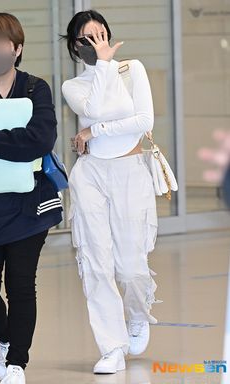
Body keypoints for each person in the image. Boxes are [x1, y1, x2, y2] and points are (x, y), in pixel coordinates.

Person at [62, 10, 162, 374]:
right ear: (77, 45)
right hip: (90, 176)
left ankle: (137, 314)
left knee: (132, 266)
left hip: (130, 170)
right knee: (96, 264)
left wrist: (93, 131)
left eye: (102, 34)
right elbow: (91, 107)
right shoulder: (73, 86)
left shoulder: (132, 69)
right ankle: (111, 346)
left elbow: (144, 121)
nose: (98, 43)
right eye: (89, 38)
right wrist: (101, 67)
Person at [0, 13, 63, 384]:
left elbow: (39, 141)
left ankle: (17, 362)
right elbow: (23, 142)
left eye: (1, 43)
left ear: (17, 48)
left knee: (21, 284)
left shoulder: (36, 88)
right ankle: (5, 339)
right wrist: (13, 142)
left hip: (29, 206)